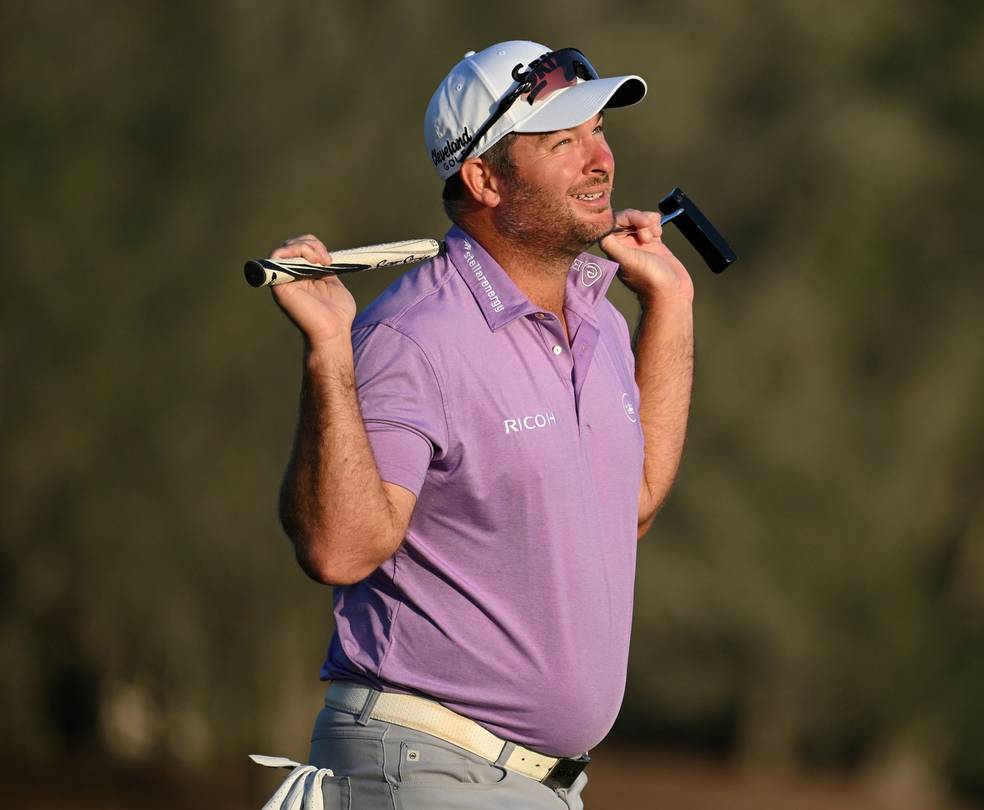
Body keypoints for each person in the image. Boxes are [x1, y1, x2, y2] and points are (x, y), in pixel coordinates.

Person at [260, 40, 693, 809]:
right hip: (429, 768)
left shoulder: (597, 320)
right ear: (485, 179)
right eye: (563, 143)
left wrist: (671, 307)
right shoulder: (414, 337)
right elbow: (338, 548)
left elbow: (632, 507)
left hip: (539, 785)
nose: (601, 161)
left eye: (598, 132)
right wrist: (329, 348)